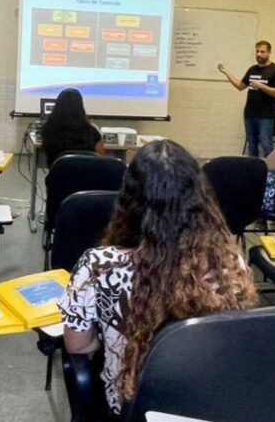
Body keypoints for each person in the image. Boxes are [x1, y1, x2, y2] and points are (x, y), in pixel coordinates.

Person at [59, 140, 258, 416]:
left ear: (130, 198)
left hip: (132, 407)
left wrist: (114, 340)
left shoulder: (99, 266)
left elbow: (76, 343)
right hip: (204, 404)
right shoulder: (229, 260)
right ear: (199, 197)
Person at [217, 40, 275, 158]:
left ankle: (271, 173)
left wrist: (261, 86)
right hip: (249, 114)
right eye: (257, 51)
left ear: (269, 52)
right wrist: (226, 72)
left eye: (262, 51)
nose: (259, 54)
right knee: (252, 145)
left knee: (266, 145)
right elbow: (240, 86)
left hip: (265, 116)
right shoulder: (252, 69)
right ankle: (254, 172)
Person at [40, 88, 104, 166]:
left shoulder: (48, 130)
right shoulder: (93, 132)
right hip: (86, 177)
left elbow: (47, 151)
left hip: (58, 176)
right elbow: (101, 159)